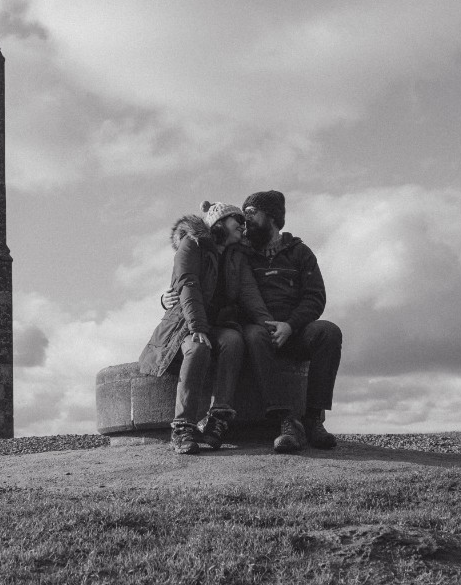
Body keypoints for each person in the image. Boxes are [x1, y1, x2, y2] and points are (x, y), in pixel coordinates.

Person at [164, 190, 342, 454]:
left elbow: (308, 297)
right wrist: (172, 302)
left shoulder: (293, 253)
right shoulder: (226, 248)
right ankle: (284, 421)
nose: (245, 222)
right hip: (226, 327)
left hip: (287, 327)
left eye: (250, 214)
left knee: (328, 332)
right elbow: (191, 280)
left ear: (270, 217)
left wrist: (286, 324)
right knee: (246, 336)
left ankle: (313, 420)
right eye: (241, 216)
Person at [138, 201, 275, 454]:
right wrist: (197, 326)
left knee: (234, 340)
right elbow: (187, 284)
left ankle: (219, 418)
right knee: (198, 348)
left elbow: (249, 293)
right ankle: (183, 427)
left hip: (219, 323)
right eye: (238, 221)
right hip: (185, 323)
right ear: (220, 222)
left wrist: (268, 324)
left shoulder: (237, 255)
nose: (243, 227)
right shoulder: (192, 244)